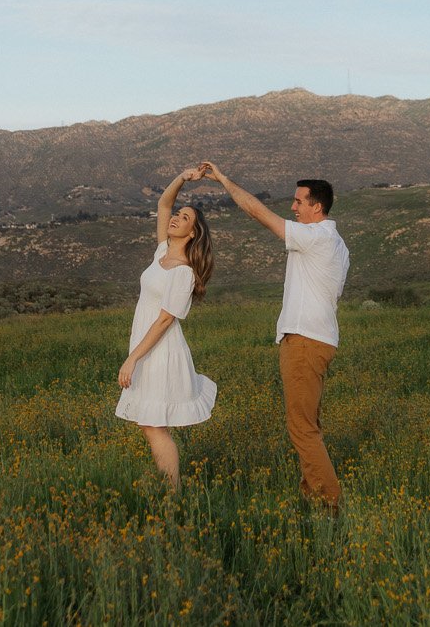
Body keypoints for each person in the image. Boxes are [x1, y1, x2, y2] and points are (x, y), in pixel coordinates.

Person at [199, 161, 348, 510]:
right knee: (307, 424)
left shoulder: (317, 237)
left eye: (299, 201)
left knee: (302, 428)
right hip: (317, 339)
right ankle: (312, 498)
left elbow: (259, 214)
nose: (293, 207)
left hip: (305, 340)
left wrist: (223, 180)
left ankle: (331, 508)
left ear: (317, 207)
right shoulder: (336, 243)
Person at [115, 166, 216, 489]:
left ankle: (173, 491)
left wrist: (132, 358)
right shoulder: (162, 252)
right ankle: (168, 485)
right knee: (151, 424)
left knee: (153, 425)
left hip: (160, 351)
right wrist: (183, 178)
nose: (176, 218)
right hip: (147, 346)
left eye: (185, 218)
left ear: (192, 233)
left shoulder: (183, 272)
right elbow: (163, 204)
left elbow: (164, 320)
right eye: (179, 214)